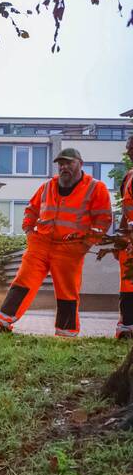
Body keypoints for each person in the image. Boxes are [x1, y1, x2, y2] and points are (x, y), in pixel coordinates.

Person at [0, 148, 112, 336]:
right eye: (61, 164)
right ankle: (1, 324)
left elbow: (103, 220)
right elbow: (31, 210)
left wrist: (85, 244)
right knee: (22, 282)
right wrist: (29, 231)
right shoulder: (47, 187)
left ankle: (66, 333)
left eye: (69, 163)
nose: (64, 167)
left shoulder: (95, 188)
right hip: (40, 244)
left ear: (80, 164)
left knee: (67, 291)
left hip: (70, 249)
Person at [114, 135, 133, 339]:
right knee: (127, 286)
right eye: (128, 148)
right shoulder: (128, 177)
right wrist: (119, 239)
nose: (128, 152)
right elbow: (125, 212)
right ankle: (126, 327)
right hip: (129, 242)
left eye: (132, 148)